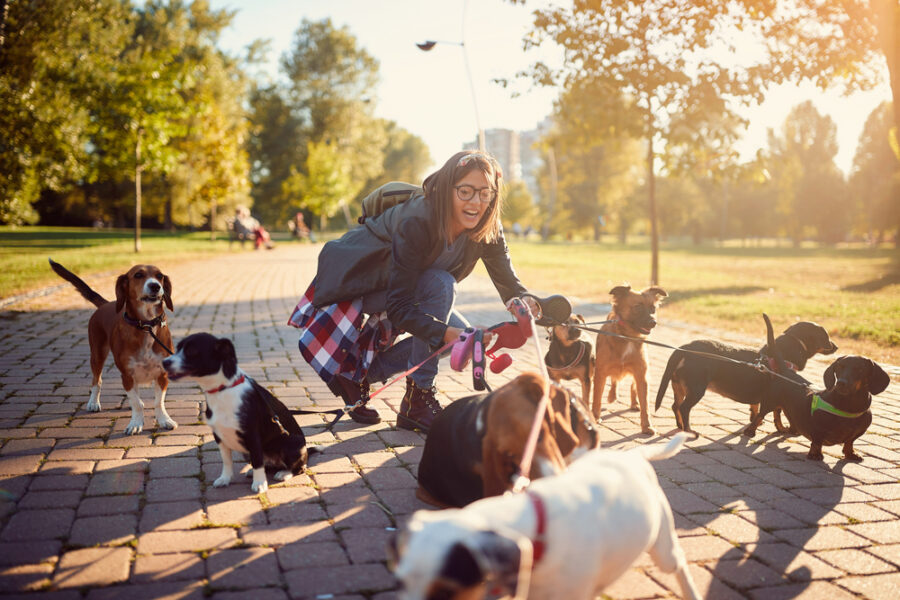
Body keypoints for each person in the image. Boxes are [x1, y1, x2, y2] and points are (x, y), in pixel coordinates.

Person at [288, 150, 539, 431]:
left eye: (485, 193)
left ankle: (357, 376)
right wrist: (443, 331)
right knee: (441, 287)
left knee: (459, 338)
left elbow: (507, 278)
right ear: (447, 188)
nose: (476, 202)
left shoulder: (487, 224)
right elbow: (399, 305)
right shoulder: (419, 219)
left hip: (412, 287)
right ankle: (417, 398)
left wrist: (525, 300)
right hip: (367, 283)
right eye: (466, 191)